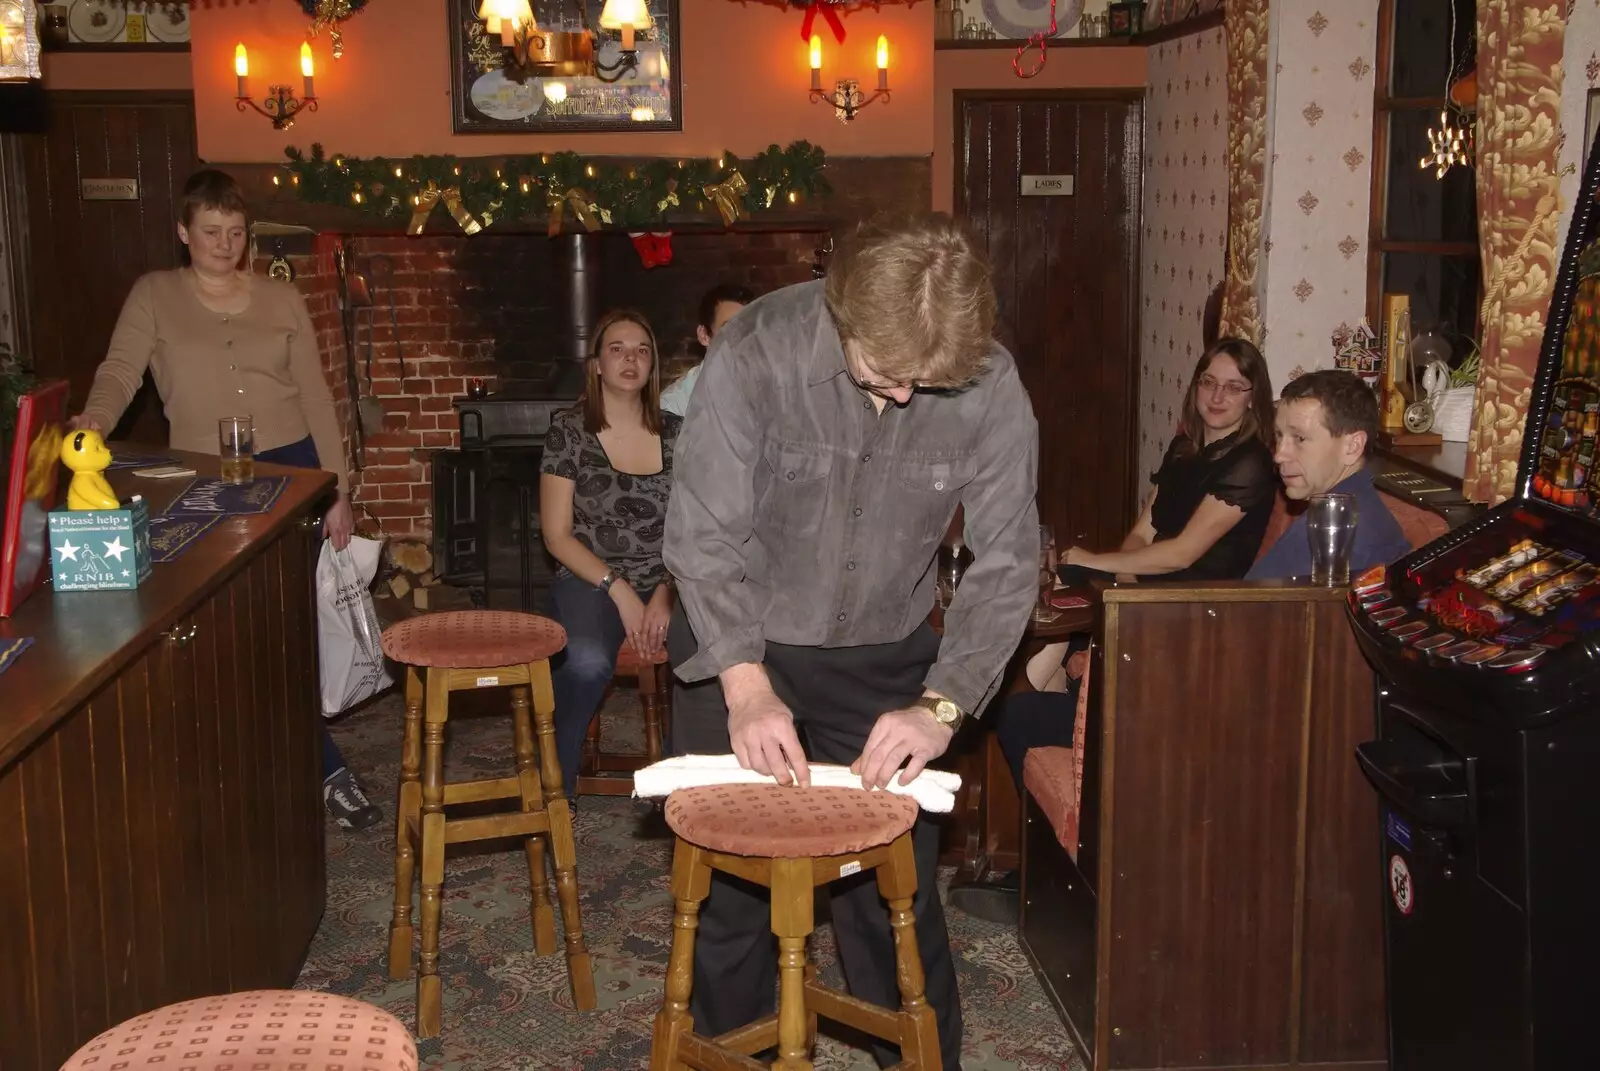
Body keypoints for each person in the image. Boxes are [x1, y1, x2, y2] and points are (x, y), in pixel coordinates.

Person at [664, 215, 1040, 1071]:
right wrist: (747, 687)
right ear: (842, 314)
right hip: (741, 640)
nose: (904, 397)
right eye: (884, 372)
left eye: (925, 383)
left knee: (893, 899)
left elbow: (1009, 559)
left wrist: (941, 706)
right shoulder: (760, 347)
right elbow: (702, 533)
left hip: (883, 656)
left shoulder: (988, 382)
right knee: (728, 903)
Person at [70, 168, 380, 832]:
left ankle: (321, 769)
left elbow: (318, 395)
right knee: (227, 635)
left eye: (236, 233)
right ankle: (263, 768)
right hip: (205, 483)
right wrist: (93, 419)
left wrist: (338, 489)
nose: (224, 244)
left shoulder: (281, 298)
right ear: (184, 232)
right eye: (210, 232)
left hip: (295, 474)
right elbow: (121, 370)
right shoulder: (154, 295)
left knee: (287, 631)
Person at [539, 309, 680, 803]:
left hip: (672, 578)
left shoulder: (680, 434)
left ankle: (687, 787)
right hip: (590, 576)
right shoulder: (569, 430)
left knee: (712, 657)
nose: (630, 359)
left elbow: (694, 530)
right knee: (587, 662)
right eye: (617, 348)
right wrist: (619, 590)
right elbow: (556, 536)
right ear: (597, 364)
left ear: (652, 365)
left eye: (642, 350)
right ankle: (556, 781)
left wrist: (665, 590)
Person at [1059, 338, 1278, 580]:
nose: (1217, 397)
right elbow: (1142, 533)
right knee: (1052, 583)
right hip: (1154, 585)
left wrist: (1093, 562)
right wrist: (1125, 579)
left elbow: (1181, 554)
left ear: (1253, 398)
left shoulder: (1251, 463)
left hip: (1201, 603)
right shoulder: (1182, 448)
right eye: (1208, 382)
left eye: (1234, 387)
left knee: (1068, 576)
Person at [1246, 368, 1411, 579]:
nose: (1279, 455)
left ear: (1352, 446)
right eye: (1278, 435)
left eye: (1300, 438)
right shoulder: (1340, 508)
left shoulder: (1338, 537)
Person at [658, 283, 755, 417]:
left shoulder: (776, 389)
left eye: (748, 328)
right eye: (729, 328)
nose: (741, 338)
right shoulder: (674, 407)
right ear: (704, 335)